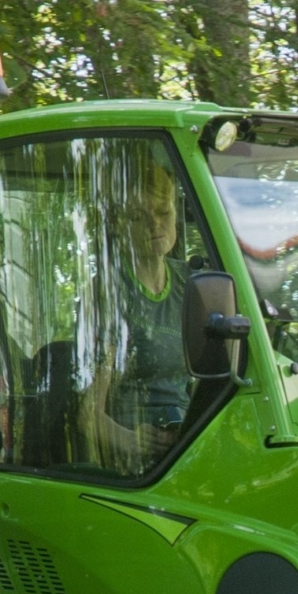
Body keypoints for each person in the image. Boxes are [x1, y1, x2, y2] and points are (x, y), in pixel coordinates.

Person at [77, 153, 192, 473]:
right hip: (132, 467)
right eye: (139, 217)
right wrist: (132, 441)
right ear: (118, 225)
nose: (156, 224)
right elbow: (88, 415)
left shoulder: (193, 285)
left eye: (163, 212)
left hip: (189, 442)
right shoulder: (110, 294)